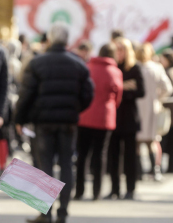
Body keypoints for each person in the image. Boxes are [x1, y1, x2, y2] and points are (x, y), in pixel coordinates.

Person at [15, 22, 94, 223]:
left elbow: (26, 94)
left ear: (49, 39)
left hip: (44, 122)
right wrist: (74, 109)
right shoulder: (77, 63)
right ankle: (63, 212)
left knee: (45, 167)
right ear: (67, 40)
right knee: (67, 164)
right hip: (67, 122)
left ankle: (45, 213)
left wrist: (20, 119)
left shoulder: (37, 62)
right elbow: (88, 94)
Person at [74, 43, 123, 201]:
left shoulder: (87, 67)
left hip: (85, 116)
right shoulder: (115, 72)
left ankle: (79, 190)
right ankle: (96, 191)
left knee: (82, 155)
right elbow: (118, 97)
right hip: (105, 117)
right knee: (100, 155)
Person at [105, 37, 145, 200]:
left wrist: (122, 90)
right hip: (114, 117)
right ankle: (114, 189)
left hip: (129, 117)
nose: (119, 52)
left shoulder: (135, 68)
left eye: (122, 49)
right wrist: (125, 86)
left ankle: (130, 189)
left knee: (129, 156)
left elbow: (141, 91)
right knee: (113, 156)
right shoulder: (112, 67)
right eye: (117, 49)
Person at [136, 43, 173, 181]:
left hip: (138, 107)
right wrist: (158, 98)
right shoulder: (156, 68)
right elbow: (167, 88)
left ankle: (139, 171)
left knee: (138, 142)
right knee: (151, 141)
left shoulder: (135, 68)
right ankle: (154, 170)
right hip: (152, 106)